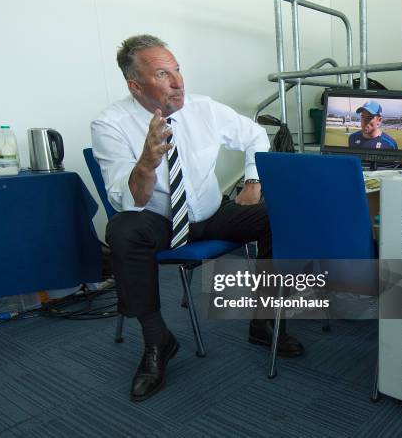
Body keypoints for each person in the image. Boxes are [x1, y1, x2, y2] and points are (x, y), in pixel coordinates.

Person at [91, 34, 304, 402]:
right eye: (162, 74)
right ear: (135, 85)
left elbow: (255, 135)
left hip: (210, 213)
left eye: (177, 70)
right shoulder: (110, 125)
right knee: (121, 230)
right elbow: (130, 200)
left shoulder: (203, 108)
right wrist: (146, 161)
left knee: (283, 216)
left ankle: (264, 321)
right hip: (157, 221)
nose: (178, 82)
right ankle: (157, 341)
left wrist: (252, 180)